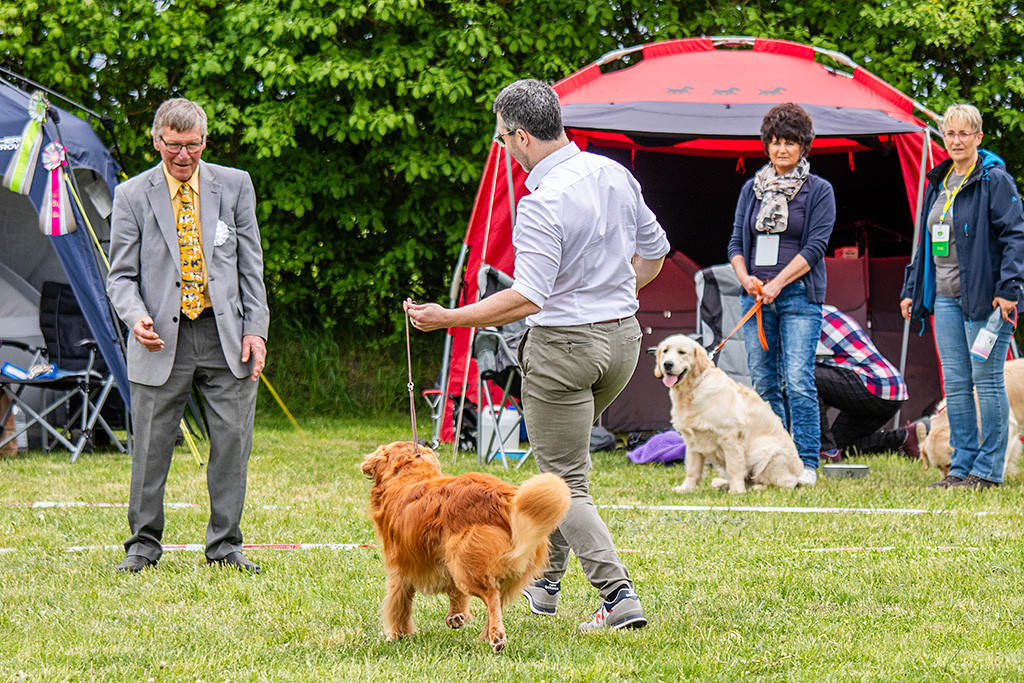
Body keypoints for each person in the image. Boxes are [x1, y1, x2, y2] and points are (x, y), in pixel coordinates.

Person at [404, 78, 669, 631]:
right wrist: (619, 297)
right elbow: (655, 253)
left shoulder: (541, 201)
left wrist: (448, 318)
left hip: (564, 349)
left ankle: (618, 597)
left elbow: (527, 297)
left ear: (521, 137)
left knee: (563, 481)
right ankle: (545, 585)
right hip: (622, 343)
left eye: (502, 139)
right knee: (569, 467)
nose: (503, 150)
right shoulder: (614, 173)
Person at [107, 98, 269, 572]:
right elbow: (120, 277)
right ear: (157, 141)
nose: (183, 155)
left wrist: (256, 330)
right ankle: (142, 545)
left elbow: (250, 267)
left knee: (233, 443)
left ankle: (225, 546)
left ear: (205, 141)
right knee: (152, 448)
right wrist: (135, 318)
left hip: (227, 336)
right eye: (173, 146)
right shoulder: (131, 195)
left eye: (192, 145)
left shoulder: (236, 186)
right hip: (160, 339)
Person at [900, 103, 1024, 489]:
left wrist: (1009, 289)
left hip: (986, 299)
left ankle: (989, 470)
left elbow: (1015, 237)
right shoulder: (939, 181)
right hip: (945, 298)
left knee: (986, 380)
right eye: (949, 134)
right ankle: (962, 468)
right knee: (955, 383)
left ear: (978, 137)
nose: (956, 140)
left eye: (963, 133)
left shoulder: (994, 180)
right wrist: (910, 290)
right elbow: (924, 243)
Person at [728, 103, 835, 486]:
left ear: (804, 145)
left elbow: (816, 247)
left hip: (799, 297)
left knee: (799, 380)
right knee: (764, 382)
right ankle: (772, 458)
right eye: (774, 142)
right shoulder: (751, 189)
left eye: (789, 142)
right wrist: (747, 280)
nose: (781, 149)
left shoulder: (819, 190)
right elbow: (736, 243)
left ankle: (805, 461)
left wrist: (777, 284)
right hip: (756, 298)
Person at [815, 305, 918, 461]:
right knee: (842, 447)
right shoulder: (826, 310)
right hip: (891, 389)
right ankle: (904, 438)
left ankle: (826, 452)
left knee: (802, 377)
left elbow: (807, 385)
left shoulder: (805, 319)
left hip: (874, 384)